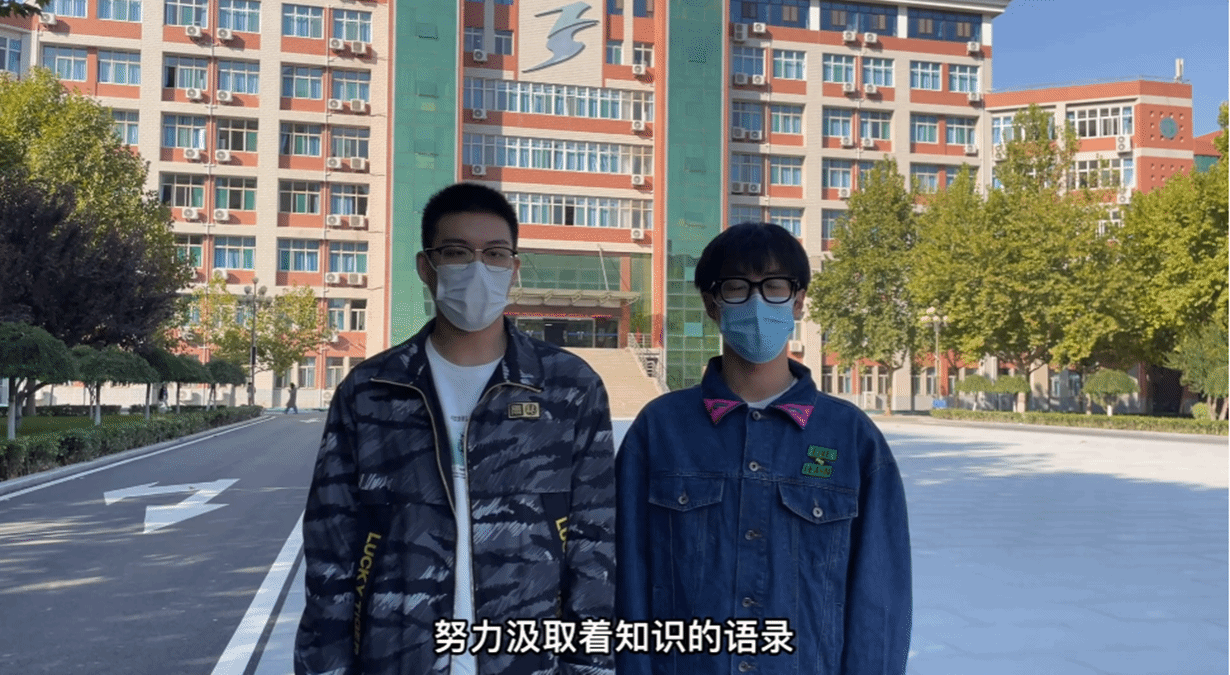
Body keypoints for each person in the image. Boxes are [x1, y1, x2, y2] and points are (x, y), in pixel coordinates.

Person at [296, 182, 616, 675]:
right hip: (397, 659)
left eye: (495, 254)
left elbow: (594, 547)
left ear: (513, 269)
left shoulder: (568, 388)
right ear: (427, 267)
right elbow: (331, 552)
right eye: (457, 252)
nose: (478, 268)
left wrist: (590, 667)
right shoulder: (372, 391)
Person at [616, 222, 912, 675]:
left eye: (774, 287)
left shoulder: (851, 437)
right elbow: (625, 579)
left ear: (798, 301)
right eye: (737, 288)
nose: (757, 303)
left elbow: (880, 600)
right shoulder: (661, 430)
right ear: (711, 304)